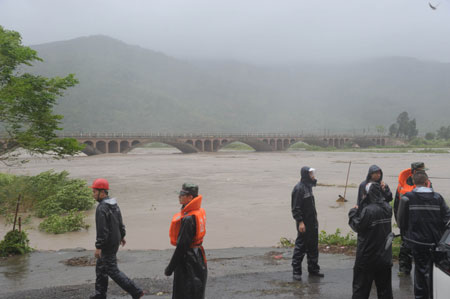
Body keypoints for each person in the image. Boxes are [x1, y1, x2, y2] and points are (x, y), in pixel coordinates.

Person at [397, 171, 450, 299]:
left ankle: (421, 296)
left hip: (416, 242)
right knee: (434, 272)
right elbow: (447, 219)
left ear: (414, 183)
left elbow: (401, 222)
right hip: (435, 243)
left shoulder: (407, 198)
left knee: (419, 273)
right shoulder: (438, 198)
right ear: (427, 182)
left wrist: (408, 237)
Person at [89, 178, 144, 299]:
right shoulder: (113, 204)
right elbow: (120, 222)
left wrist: (98, 247)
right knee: (101, 269)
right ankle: (100, 295)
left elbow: (102, 230)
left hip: (107, 244)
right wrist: (122, 235)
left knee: (112, 270)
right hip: (114, 241)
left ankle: (136, 291)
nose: (93, 194)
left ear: (102, 192)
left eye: (94, 192)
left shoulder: (102, 208)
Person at [349, 182, 393, 299]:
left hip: (367, 257)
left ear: (367, 194)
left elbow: (358, 226)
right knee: (385, 291)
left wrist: (353, 213)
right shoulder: (388, 208)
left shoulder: (368, 210)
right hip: (384, 257)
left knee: (361, 290)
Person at [165, 183, 207, 299]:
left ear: (190, 198)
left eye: (182, 194)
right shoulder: (198, 212)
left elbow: (182, 247)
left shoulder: (188, 219)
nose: (179, 196)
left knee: (185, 292)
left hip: (188, 260)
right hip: (198, 257)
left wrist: (170, 268)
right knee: (196, 290)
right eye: (180, 194)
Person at [394, 162, 428, 276]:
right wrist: (400, 222)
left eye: (423, 171)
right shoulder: (402, 184)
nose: (423, 173)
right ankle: (404, 270)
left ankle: (423, 271)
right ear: (414, 172)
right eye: (420, 171)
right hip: (407, 222)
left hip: (421, 221)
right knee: (406, 246)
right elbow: (397, 205)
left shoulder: (427, 183)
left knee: (423, 247)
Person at [291, 166, 324, 280]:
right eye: (311, 174)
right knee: (301, 247)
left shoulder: (308, 187)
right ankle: (296, 271)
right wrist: (300, 222)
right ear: (305, 175)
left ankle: (313, 269)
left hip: (312, 222)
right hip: (304, 223)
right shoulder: (299, 188)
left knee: (313, 247)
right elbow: (296, 208)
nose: (313, 176)